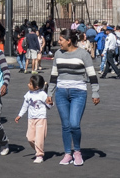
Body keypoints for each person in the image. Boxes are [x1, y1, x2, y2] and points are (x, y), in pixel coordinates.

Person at [46, 28, 100, 166]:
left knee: (74, 124)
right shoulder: (58, 54)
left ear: (69, 41)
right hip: (61, 92)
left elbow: (92, 74)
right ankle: (67, 153)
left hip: (79, 92)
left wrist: (95, 92)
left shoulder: (83, 54)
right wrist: (50, 93)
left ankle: (77, 151)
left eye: (61, 40)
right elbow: (53, 75)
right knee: (65, 125)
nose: (59, 42)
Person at [15, 73, 49, 163]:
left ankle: (39, 155)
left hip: (41, 118)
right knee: (30, 138)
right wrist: (20, 115)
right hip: (31, 118)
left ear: (36, 87)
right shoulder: (28, 94)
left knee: (39, 138)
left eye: (30, 84)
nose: (28, 84)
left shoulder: (43, 94)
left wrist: (51, 103)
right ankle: (38, 149)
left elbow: (49, 105)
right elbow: (25, 105)